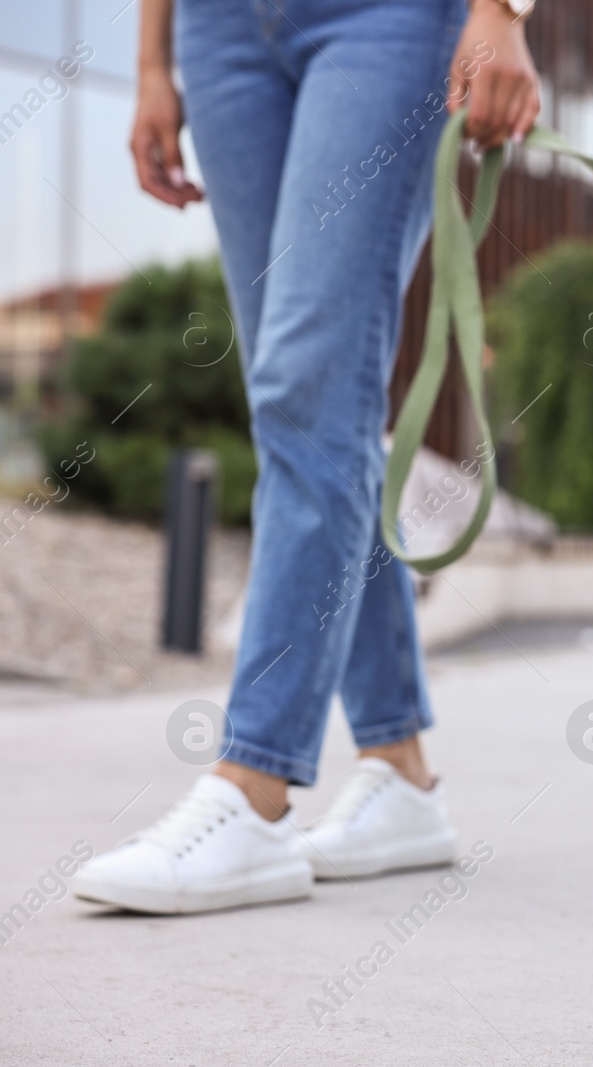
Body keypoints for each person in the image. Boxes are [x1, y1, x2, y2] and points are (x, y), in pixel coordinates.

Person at [72, 0, 540, 914]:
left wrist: (501, 9)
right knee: (305, 409)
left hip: (387, 21)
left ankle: (256, 786)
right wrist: (153, 60)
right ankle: (400, 770)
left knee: (307, 388)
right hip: (220, 30)